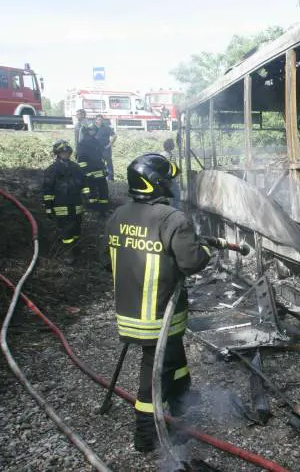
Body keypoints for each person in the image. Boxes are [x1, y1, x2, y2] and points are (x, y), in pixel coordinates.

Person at [105, 153, 212, 452]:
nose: (172, 185)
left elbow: (107, 262)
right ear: (156, 183)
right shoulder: (172, 219)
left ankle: (181, 402)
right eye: (168, 180)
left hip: (127, 313)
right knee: (151, 374)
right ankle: (144, 434)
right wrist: (204, 251)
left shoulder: (117, 216)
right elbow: (191, 262)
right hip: (158, 317)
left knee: (174, 357)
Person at [41, 140, 90, 264]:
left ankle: (76, 249)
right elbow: (47, 190)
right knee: (65, 230)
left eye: (67, 152)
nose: (66, 154)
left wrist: (86, 196)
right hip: (60, 205)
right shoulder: (52, 170)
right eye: (63, 152)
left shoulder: (76, 167)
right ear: (57, 154)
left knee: (76, 229)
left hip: (76, 204)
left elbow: (84, 183)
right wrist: (48, 207)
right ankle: (68, 253)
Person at [77, 123, 110, 215]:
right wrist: (86, 172)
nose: (94, 131)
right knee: (97, 191)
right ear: (87, 131)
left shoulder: (93, 141)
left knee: (97, 191)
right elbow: (82, 159)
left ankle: (98, 210)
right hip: (92, 172)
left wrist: (104, 169)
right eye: (92, 130)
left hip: (96, 171)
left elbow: (99, 157)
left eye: (95, 130)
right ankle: (100, 211)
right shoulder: (84, 143)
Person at [94, 115, 117, 181]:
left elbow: (114, 136)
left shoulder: (106, 128)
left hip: (106, 149)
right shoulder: (92, 128)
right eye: (98, 119)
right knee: (99, 164)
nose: (100, 121)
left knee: (109, 163)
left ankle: (110, 178)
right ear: (96, 120)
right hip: (96, 149)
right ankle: (100, 178)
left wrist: (110, 144)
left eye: (101, 120)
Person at [160, 138, 181, 209]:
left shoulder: (163, 155)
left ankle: (169, 211)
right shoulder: (164, 155)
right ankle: (175, 211)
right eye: (173, 144)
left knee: (168, 196)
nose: (174, 145)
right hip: (169, 179)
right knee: (176, 196)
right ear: (170, 145)